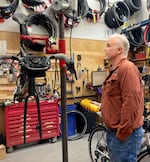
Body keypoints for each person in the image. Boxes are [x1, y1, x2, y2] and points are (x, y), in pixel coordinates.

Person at [98, 34, 144, 162]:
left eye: (108, 46)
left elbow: (131, 103)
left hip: (124, 136)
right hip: (116, 134)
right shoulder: (116, 70)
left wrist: (122, 132)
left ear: (119, 50)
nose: (105, 49)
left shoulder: (127, 68)